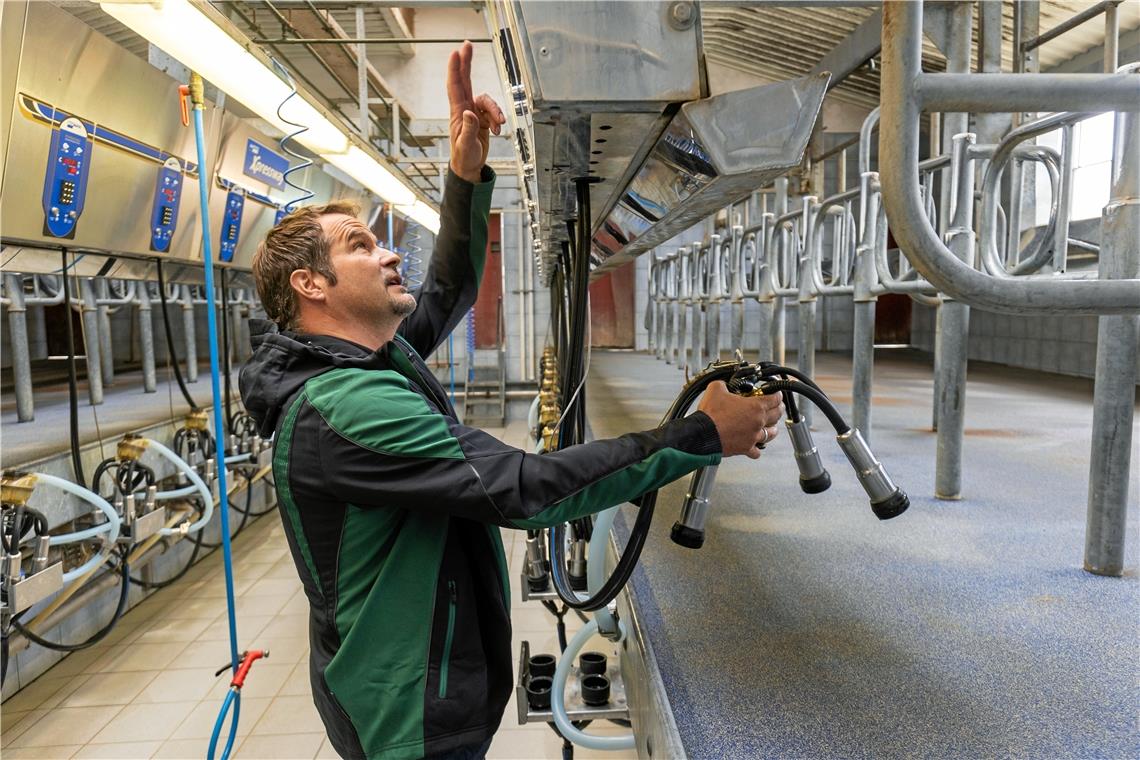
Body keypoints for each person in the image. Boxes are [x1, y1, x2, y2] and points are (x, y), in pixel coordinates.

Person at [239, 41, 783, 760]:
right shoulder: (347, 407)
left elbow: (444, 295)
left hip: (413, 677)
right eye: (361, 246)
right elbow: (526, 489)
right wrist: (697, 435)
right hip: (408, 710)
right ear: (312, 286)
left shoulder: (368, 359)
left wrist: (465, 177)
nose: (388, 252)